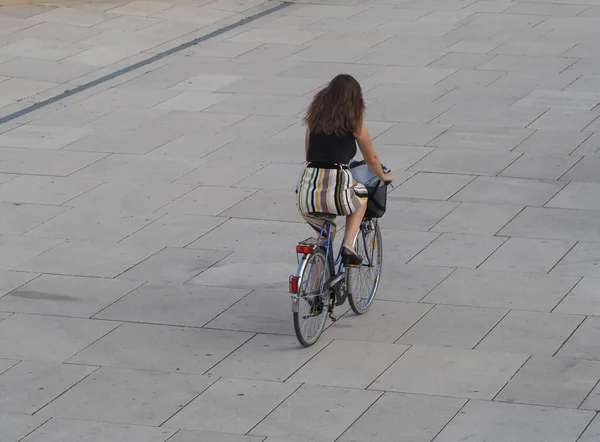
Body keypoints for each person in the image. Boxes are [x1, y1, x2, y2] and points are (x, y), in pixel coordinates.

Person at [297, 74, 393, 265]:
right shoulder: (355, 122)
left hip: (308, 192)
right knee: (361, 195)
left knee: (324, 238)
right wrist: (384, 176)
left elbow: (309, 154)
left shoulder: (314, 118)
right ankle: (349, 245)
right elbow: (372, 159)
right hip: (337, 187)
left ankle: (314, 288)